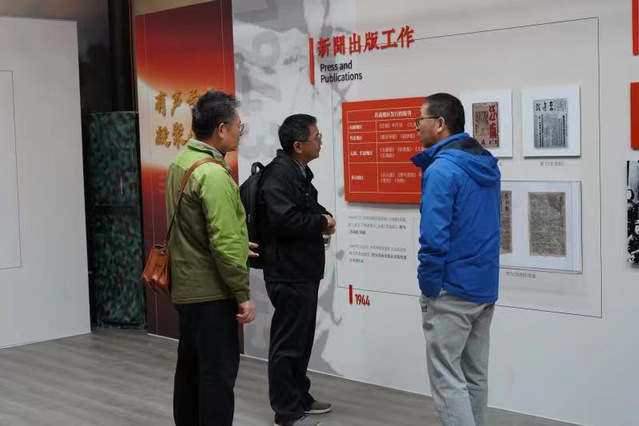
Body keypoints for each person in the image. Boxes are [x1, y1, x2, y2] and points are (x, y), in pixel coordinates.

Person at [166, 90, 256, 426]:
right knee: (218, 374)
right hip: (212, 293)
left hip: (186, 289)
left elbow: (196, 228)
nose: (239, 133)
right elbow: (224, 240)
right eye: (238, 126)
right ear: (221, 129)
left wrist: (237, 243)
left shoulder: (181, 163)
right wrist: (242, 294)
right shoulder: (214, 174)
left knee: (190, 370)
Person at [411, 93, 501, 426]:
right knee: (474, 375)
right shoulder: (486, 163)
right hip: (484, 286)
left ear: (440, 123)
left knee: (447, 377)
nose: (416, 127)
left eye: (420, 120)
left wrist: (429, 286)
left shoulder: (442, 170)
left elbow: (433, 239)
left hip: (451, 290)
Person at [257, 114, 336, 426]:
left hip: (302, 270)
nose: (321, 142)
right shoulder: (279, 175)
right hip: (287, 272)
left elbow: (306, 208)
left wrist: (323, 217)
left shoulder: (297, 171)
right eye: (317, 137)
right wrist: (321, 222)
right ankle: (287, 411)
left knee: (300, 341)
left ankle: (300, 396)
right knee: (288, 343)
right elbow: (285, 220)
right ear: (298, 145)